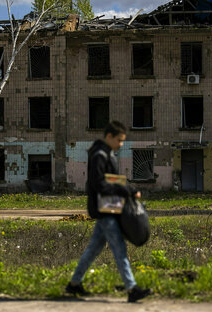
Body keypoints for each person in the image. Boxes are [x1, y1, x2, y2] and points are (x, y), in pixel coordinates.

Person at [65, 120, 152, 303]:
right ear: (109, 136)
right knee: (119, 249)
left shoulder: (106, 153)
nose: (121, 144)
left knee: (93, 249)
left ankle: (74, 285)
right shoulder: (99, 155)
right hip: (105, 208)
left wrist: (129, 188)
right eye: (119, 140)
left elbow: (113, 180)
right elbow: (99, 184)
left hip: (108, 206)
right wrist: (126, 191)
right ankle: (132, 288)